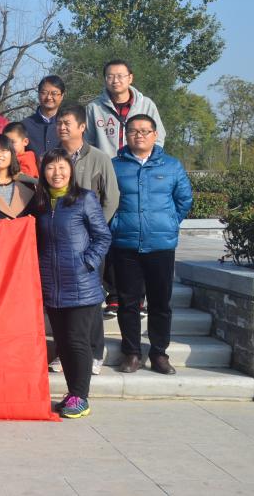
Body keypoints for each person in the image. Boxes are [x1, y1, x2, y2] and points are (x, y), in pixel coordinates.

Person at [32, 149, 112, 419]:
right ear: (43, 172)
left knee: (78, 341)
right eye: (50, 168)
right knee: (63, 342)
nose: (57, 173)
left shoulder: (84, 199)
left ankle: (81, 397)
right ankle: (72, 392)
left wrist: (87, 263)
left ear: (71, 170)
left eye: (62, 167)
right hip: (52, 285)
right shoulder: (40, 204)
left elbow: (103, 236)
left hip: (81, 285)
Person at [110, 115, 193, 375]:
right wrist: (116, 224)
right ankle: (132, 352)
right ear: (126, 135)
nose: (139, 135)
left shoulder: (171, 166)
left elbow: (184, 200)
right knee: (128, 302)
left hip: (160, 245)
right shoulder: (114, 166)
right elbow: (105, 200)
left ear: (155, 135)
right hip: (125, 244)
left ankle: (159, 353)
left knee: (160, 303)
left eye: (145, 131)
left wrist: (168, 222)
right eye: (134, 131)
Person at [57, 105, 121, 320]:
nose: (62, 127)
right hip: (60, 239)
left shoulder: (100, 158)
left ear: (82, 127)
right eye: (59, 123)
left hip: (89, 238)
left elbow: (111, 197)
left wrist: (95, 227)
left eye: (67, 123)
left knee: (89, 290)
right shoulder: (49, 157)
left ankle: (91, 338)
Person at [85, 60, 166, 158]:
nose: (115, 81)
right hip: (105, 166)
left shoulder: (146, 105)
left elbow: (158, 138)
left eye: (120, 76)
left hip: (138, 165)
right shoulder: (94, 108)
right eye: (110, 77)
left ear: (130, 78)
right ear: (105, 80)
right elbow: (87, 142)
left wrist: (147, 161)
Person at [23, 75, 65, 161]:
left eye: (54, 93)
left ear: (62, 96)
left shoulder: (68, 125)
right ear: (38, 94)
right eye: (44, 93)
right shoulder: (24, 125)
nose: (49, 97)